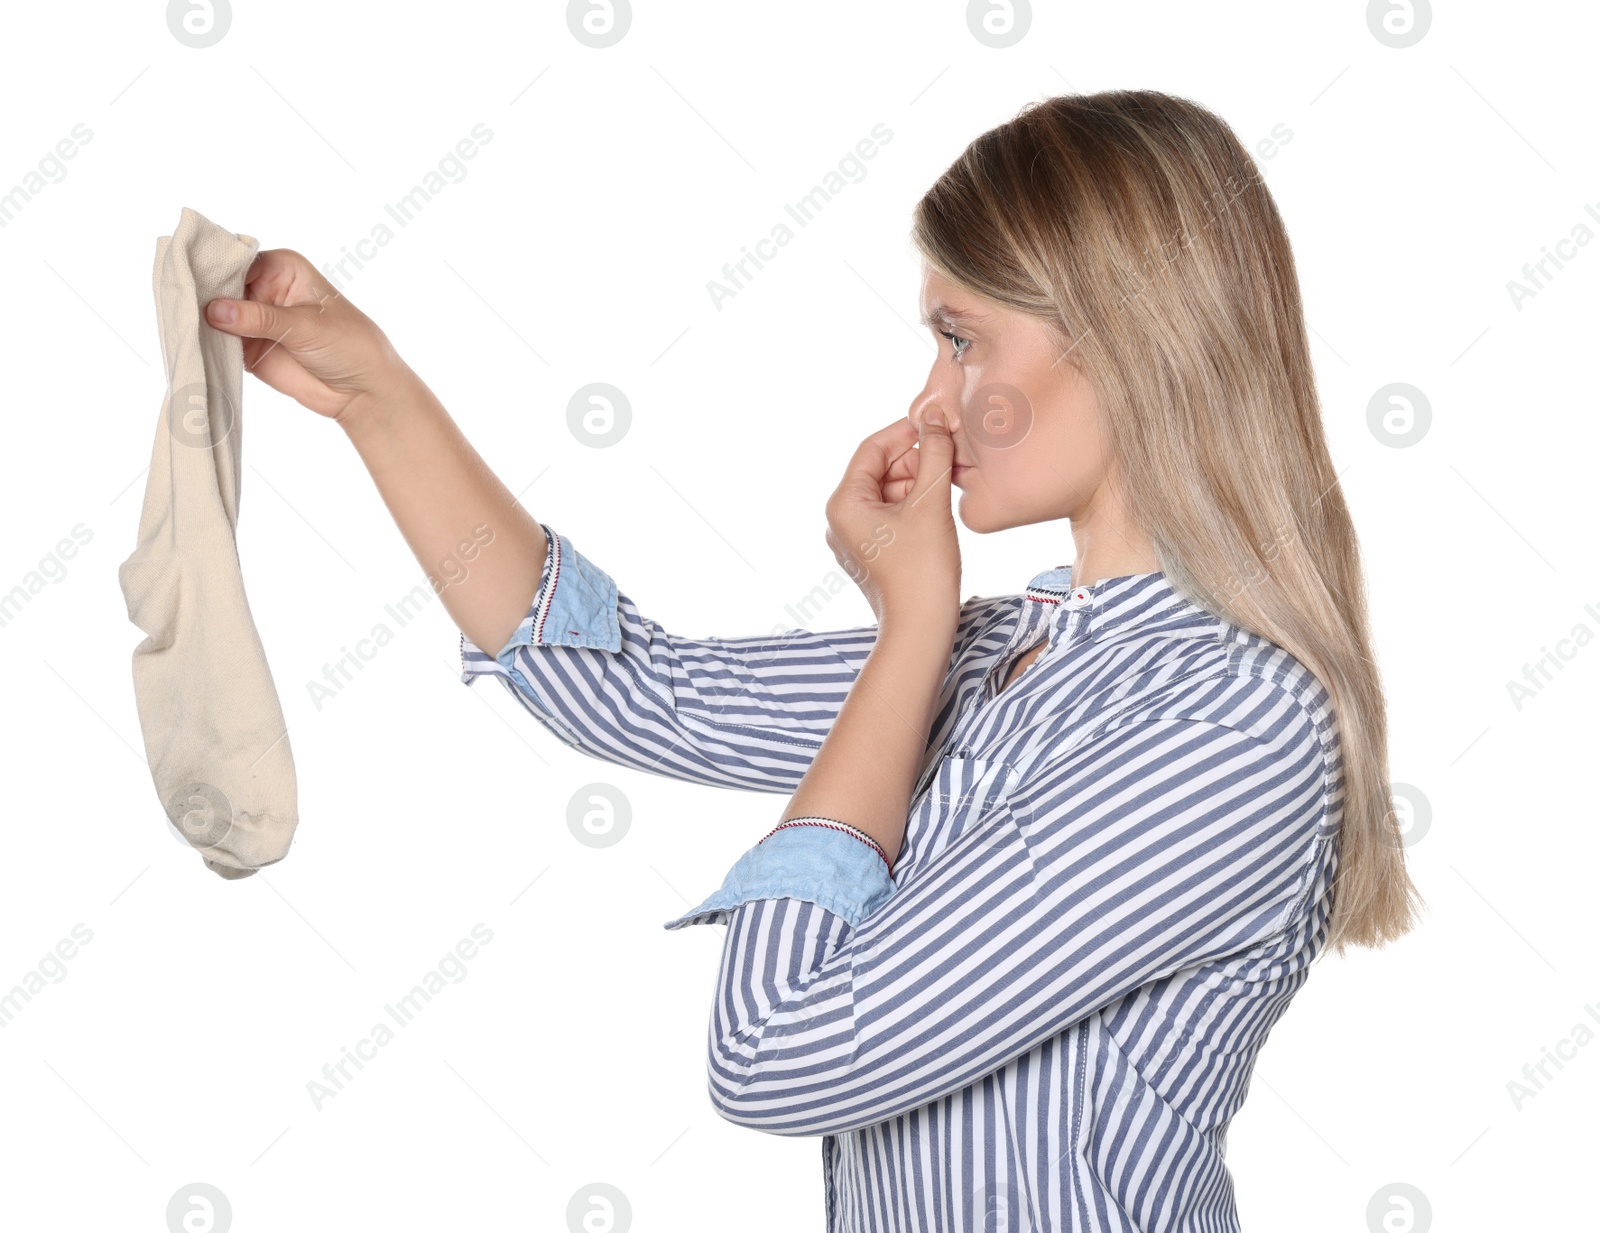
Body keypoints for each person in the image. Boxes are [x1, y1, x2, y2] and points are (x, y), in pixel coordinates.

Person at [205, 88, 1423, 1233]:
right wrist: (375, 396)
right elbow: (628, 686)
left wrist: (908, 632)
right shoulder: (1019, 650)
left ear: (1125, 344)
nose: (931, 400)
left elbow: (780, 1052)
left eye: (962, 339)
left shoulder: (1226, 729)